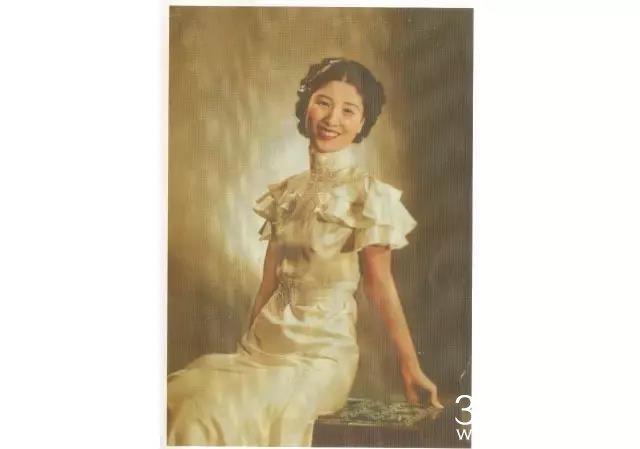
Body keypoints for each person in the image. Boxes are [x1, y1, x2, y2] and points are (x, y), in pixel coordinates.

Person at [166, 57, 443, 446]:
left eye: (348, 110)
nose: (332, 118)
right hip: (263, 349)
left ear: (363, 122)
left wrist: (410, 367)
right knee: (180, 397)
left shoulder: (367, 195)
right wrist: (248, 350)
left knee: (210, 416)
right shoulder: (287, 192)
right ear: (306, 105)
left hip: (320, 358)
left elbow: (380, 286)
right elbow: (269, 281)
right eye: (323, 102)